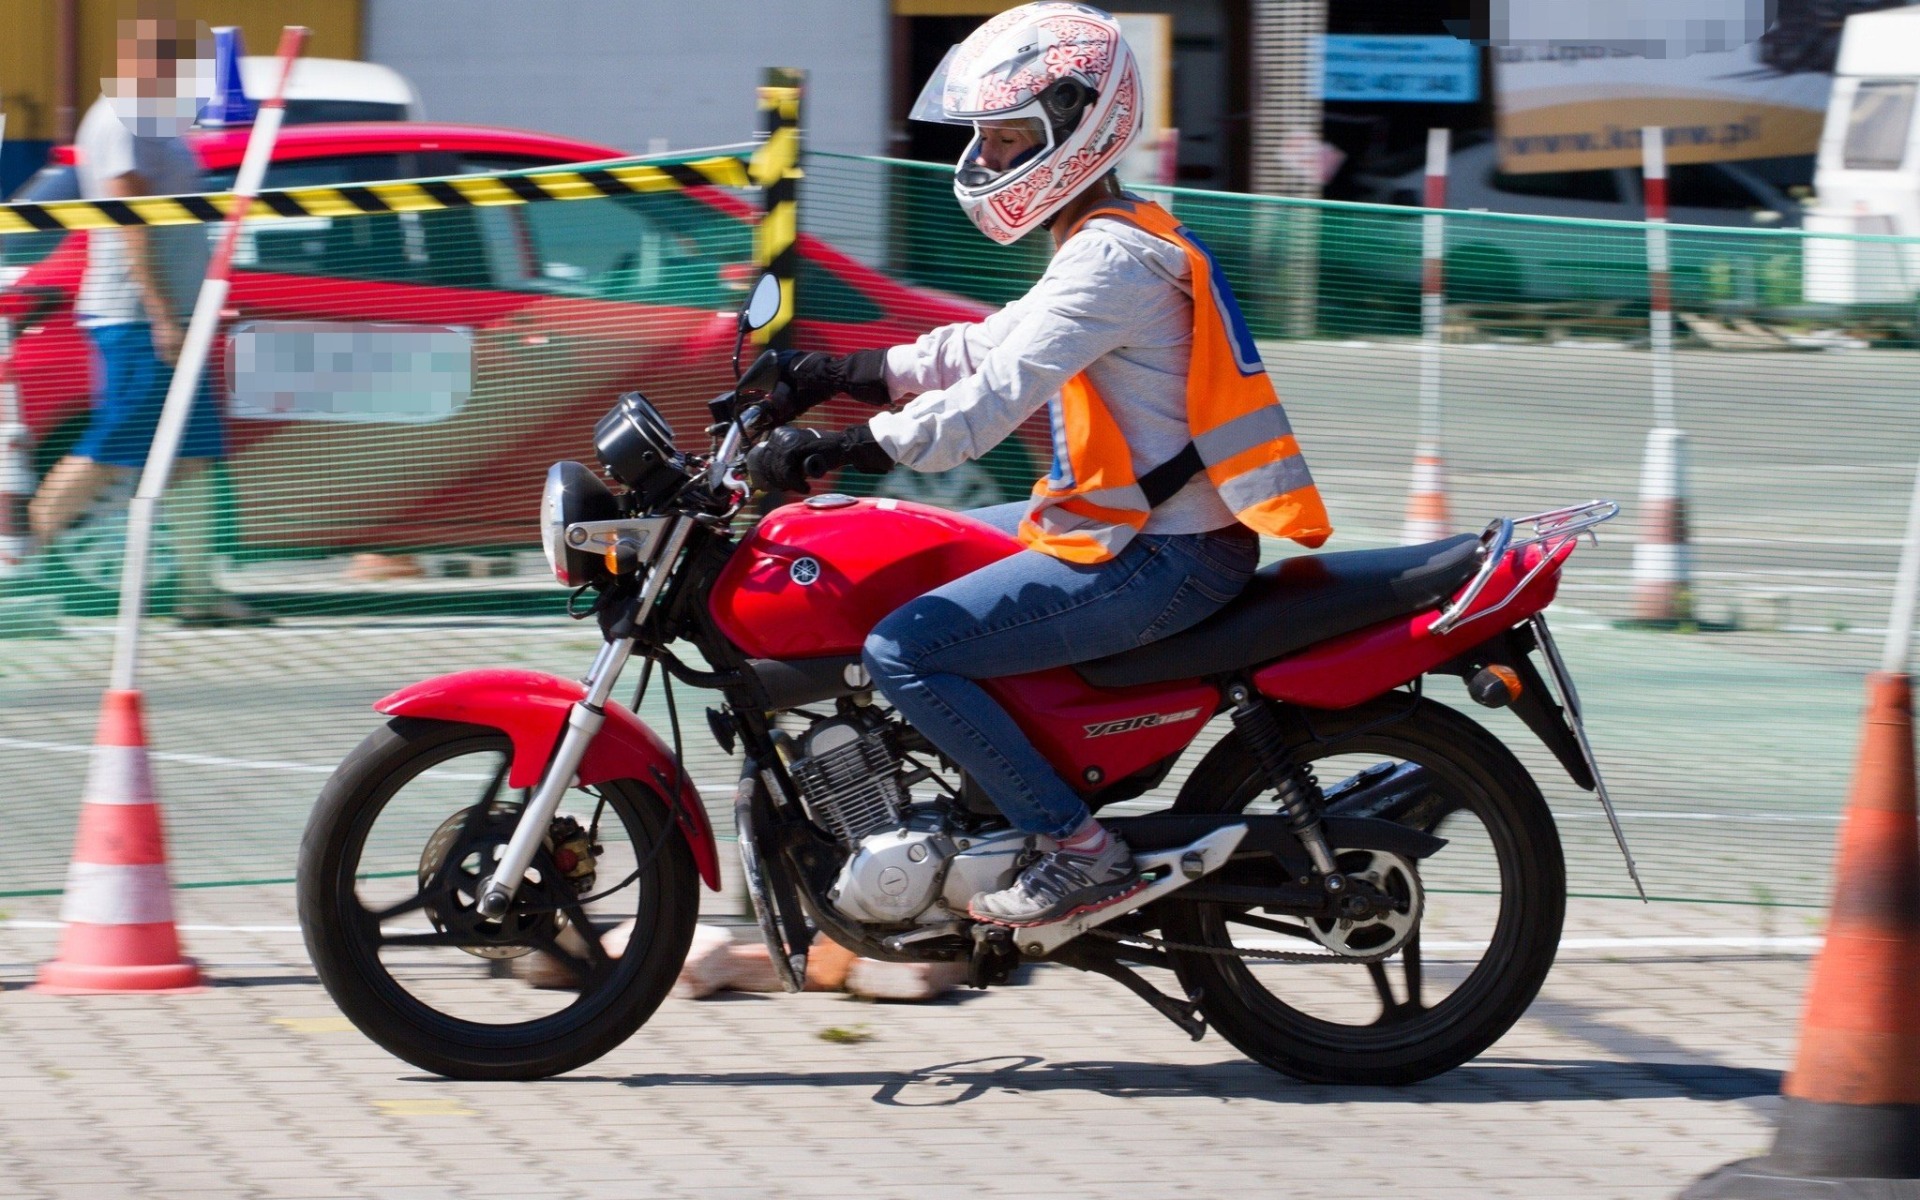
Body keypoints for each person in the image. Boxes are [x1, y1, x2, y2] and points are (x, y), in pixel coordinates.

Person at [748, 2, 1333, 928]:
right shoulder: (1104, 235)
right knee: (910, 548)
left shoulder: (1114, 260)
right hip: (1134, 532)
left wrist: (841, 449)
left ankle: (1076, 847)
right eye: (987, 136)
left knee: (902, 648)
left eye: (1012, 135)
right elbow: (988, 346)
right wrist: (837, 373)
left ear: (1079, 122)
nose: (988, 158)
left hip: (1166, 557)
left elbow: (986, 406)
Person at [24, 15, 263, 626]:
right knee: (114, 447)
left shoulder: (152, 118)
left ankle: (196, 593)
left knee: (193, 455)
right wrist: (161, 315)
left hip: (174, 314)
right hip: (136, 317)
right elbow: (130, 222)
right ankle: (25, 572)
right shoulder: (124, 119)